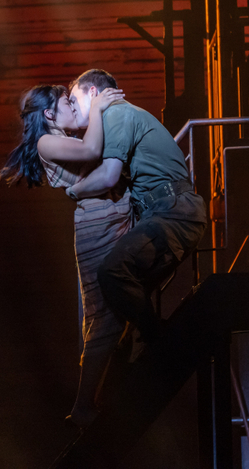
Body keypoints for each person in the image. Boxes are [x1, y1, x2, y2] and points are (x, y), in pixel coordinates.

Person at [0, 83, 132, 428]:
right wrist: (98, 107)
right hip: (96, 227)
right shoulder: (46, 141)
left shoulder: (64, 138)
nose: (74, 107)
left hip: (109, 219)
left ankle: (99, 397)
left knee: (115, 310)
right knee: (104, 315)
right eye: (66, 103)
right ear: (49, 114)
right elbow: (91, 150)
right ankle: (83, 405)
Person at [63, 69, 207, 350]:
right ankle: (136, 348)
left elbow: (108, 176)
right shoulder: (115, 119)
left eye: (73, 99)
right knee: (120, 292)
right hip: (167, 212)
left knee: (112, 272)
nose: (71, 106)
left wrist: (74, 191)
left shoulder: (116, 113)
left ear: (93, 93)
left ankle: (159, 344)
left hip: (173, 213)